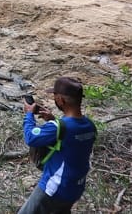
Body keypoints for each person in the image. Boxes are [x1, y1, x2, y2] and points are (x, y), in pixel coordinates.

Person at [19, 76, 97, 214]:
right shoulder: (90, 126)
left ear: (61, 100)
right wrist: (53, 120)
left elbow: (30, 138)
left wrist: (29, 114)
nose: (55, 99)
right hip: (75, 188)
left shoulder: (58, 127)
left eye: (55, 96)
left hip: (54, 188)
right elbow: (70, 139)